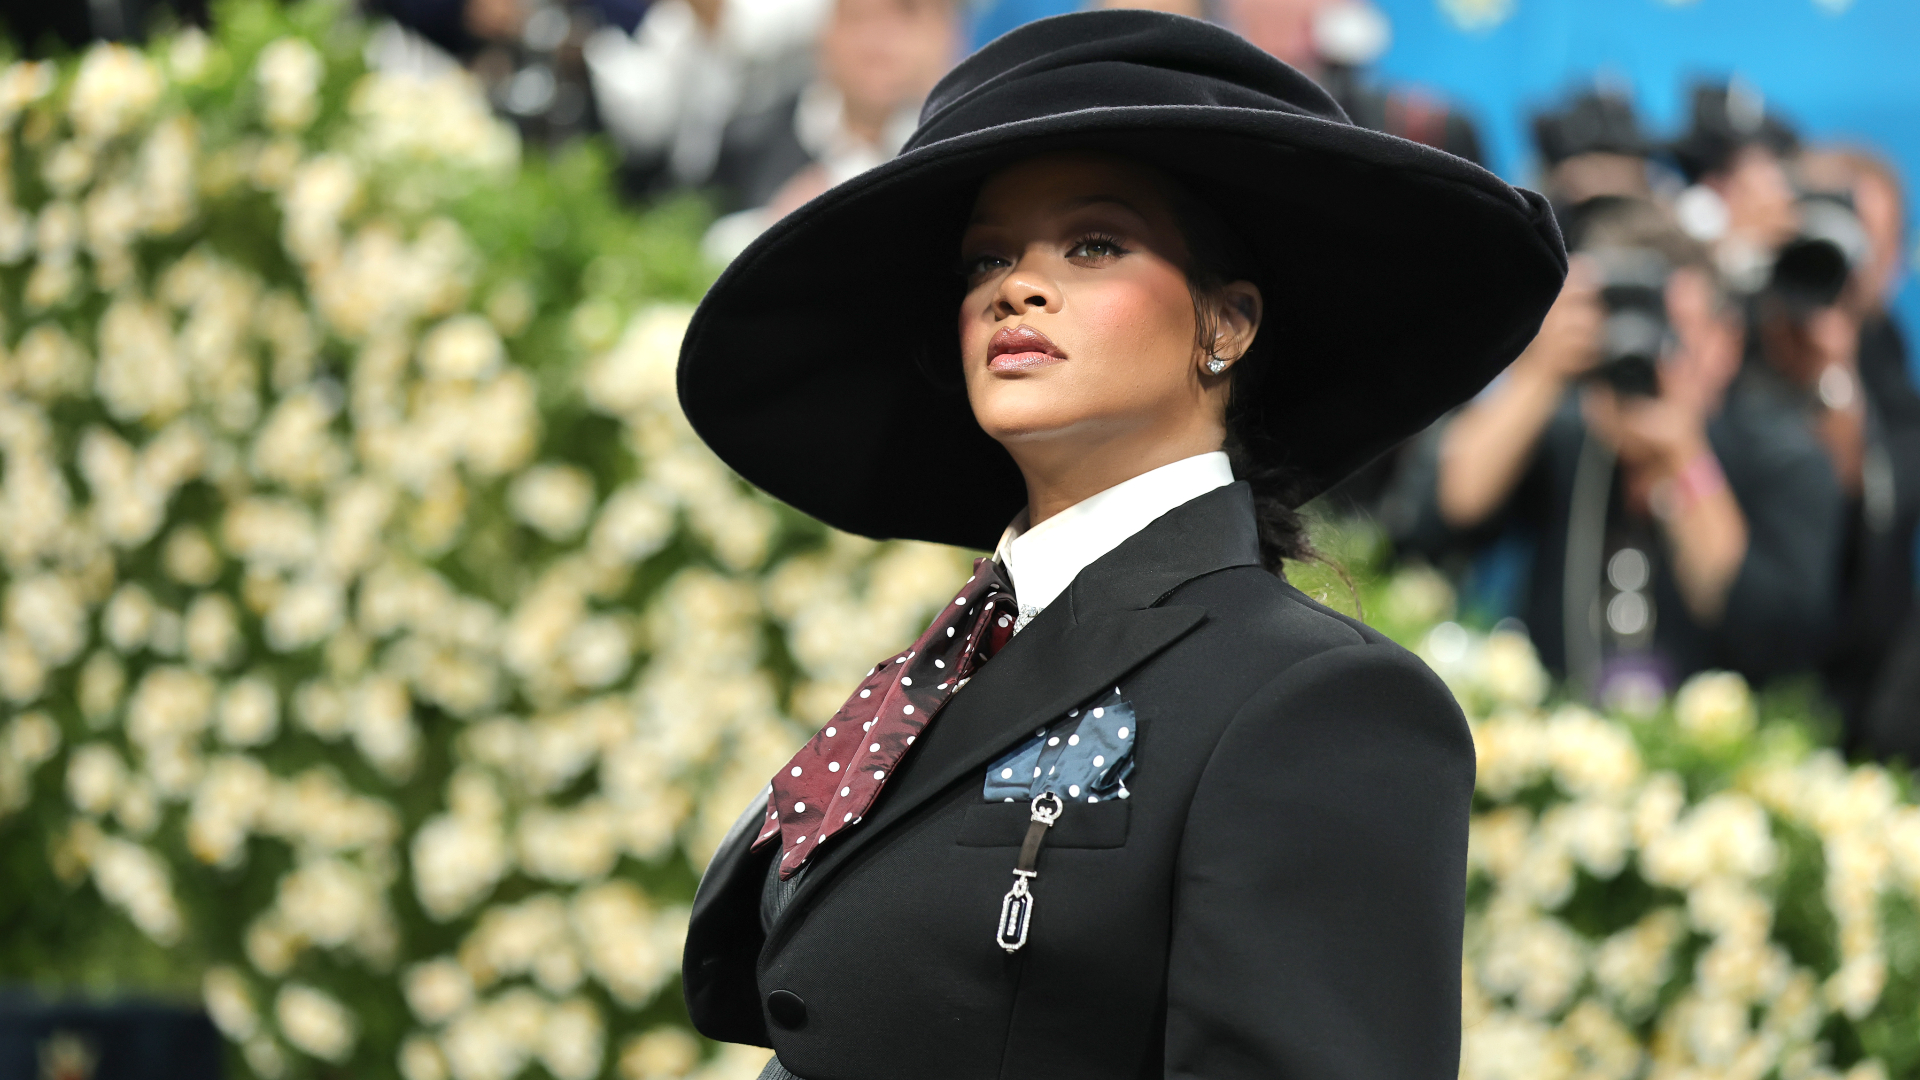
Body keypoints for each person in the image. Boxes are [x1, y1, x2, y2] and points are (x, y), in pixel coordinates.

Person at [675, 11, 1565, 1077]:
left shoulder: (1318, 701)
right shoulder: (951, 662)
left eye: (1094, 244)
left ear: (1226, 324)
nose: (1017, 285)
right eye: (985, 259)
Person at [1397, 198, 1844, 702]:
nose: (1644, 345)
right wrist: (1538, 371)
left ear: (1725, 342)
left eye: (1670, 328)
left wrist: (1683, 459)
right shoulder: (1564, 436)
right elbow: (1439, 516)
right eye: (1624, 321)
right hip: (1566, 749)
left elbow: (1774, 634)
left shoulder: (1783, 455)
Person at [701, 0, 961, 263]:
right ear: (823, 32)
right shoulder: (750, 141)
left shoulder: (958, 152)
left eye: (904, 17)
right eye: (858, 19)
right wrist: (771, 228)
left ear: (943, 35)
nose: (878, 41)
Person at [583, 0, 827, 193]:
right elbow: (647, 129)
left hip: (783, 170)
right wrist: (592, 47)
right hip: (695, 184)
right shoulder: (671, 21)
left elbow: (753, 33)